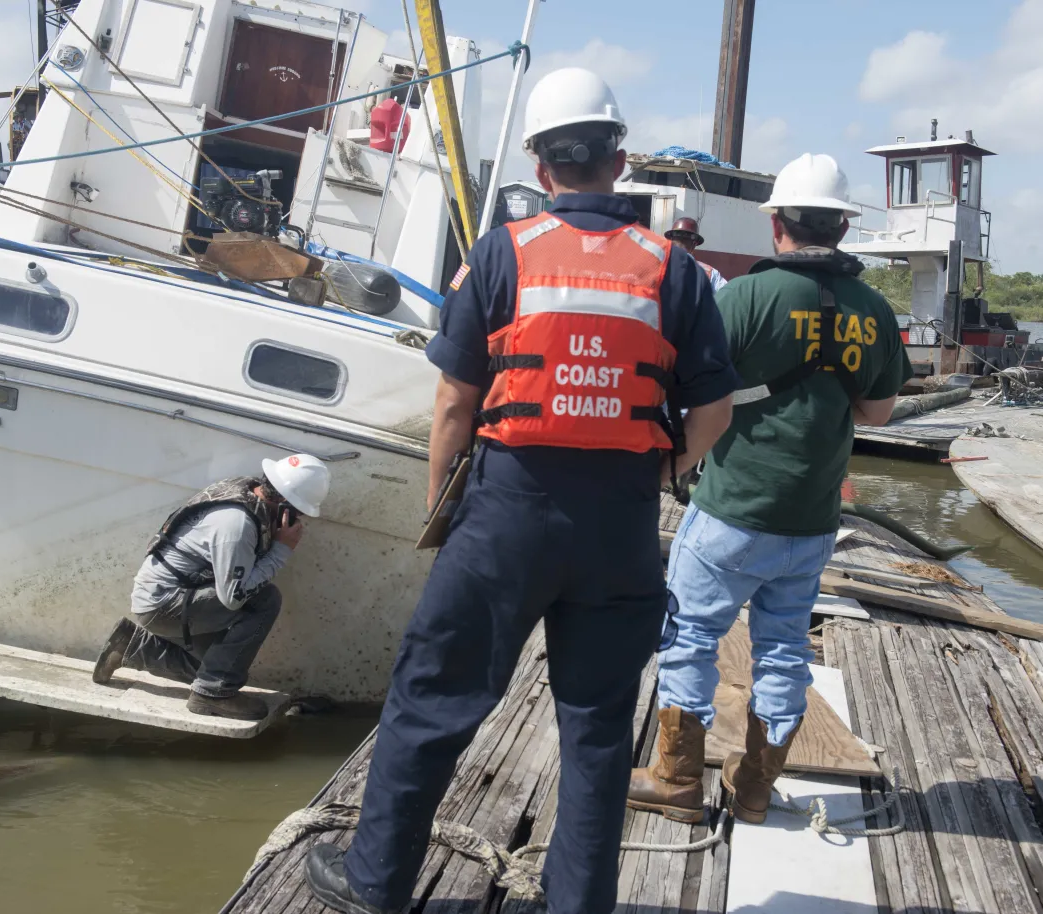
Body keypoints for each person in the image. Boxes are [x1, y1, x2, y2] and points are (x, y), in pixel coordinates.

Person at [303, 68, 737, 914]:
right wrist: (659, 471)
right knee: (599, 731)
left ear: (541, 168)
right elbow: (714, 409)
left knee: (432, 701)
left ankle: (377, 884)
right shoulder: (673, 270)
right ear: (618, 159)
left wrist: (445, 510)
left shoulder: (501, 254)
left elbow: (454, 403)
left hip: (505, 515)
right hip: (618, 524)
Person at [626, 153, 913, 824]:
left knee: (692, 637)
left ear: (777, 224)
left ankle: (676, 782)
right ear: (844, 225)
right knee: (783, 648)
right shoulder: (875, 311)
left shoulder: (745, 297)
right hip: (812, 523)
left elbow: (686, 388)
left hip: (731, 511)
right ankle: (754, 786)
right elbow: (877, 414)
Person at [91, 454, 330, 721]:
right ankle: (213, 695)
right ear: (284, 505)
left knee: (217, 665)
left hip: (172, 597)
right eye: (298, 512)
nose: (300, 520)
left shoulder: (247, 496)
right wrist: (281, 551)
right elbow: (234, 597)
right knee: (265, 600)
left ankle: (131, 646)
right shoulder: (237, 524)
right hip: (164, 604)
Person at [665, 216, 727, 293]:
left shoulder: (657, 266)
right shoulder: (710, 273)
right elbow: (727, 297)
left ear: (670, 242)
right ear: (694, 244)